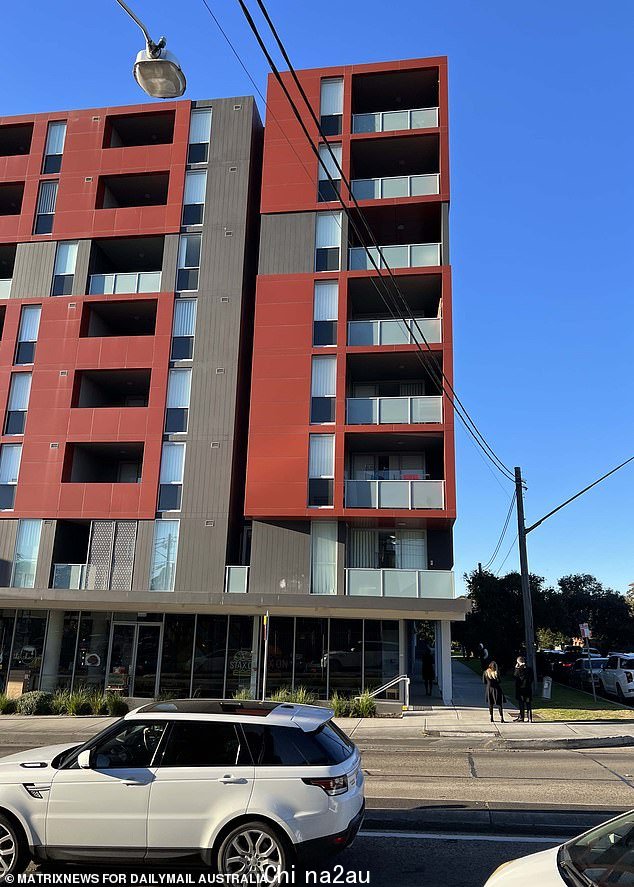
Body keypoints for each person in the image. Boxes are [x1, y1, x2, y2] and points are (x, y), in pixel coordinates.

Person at [513, 656, 533, 722]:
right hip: (528, 689)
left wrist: (516, 668)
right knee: (528, 703)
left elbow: (515, 678)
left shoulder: (518, 670)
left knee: (521, 703)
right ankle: (530, 718)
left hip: (520, 690)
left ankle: (521, 717)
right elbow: (531, 679)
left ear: (518, 662)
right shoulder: (529, 669)